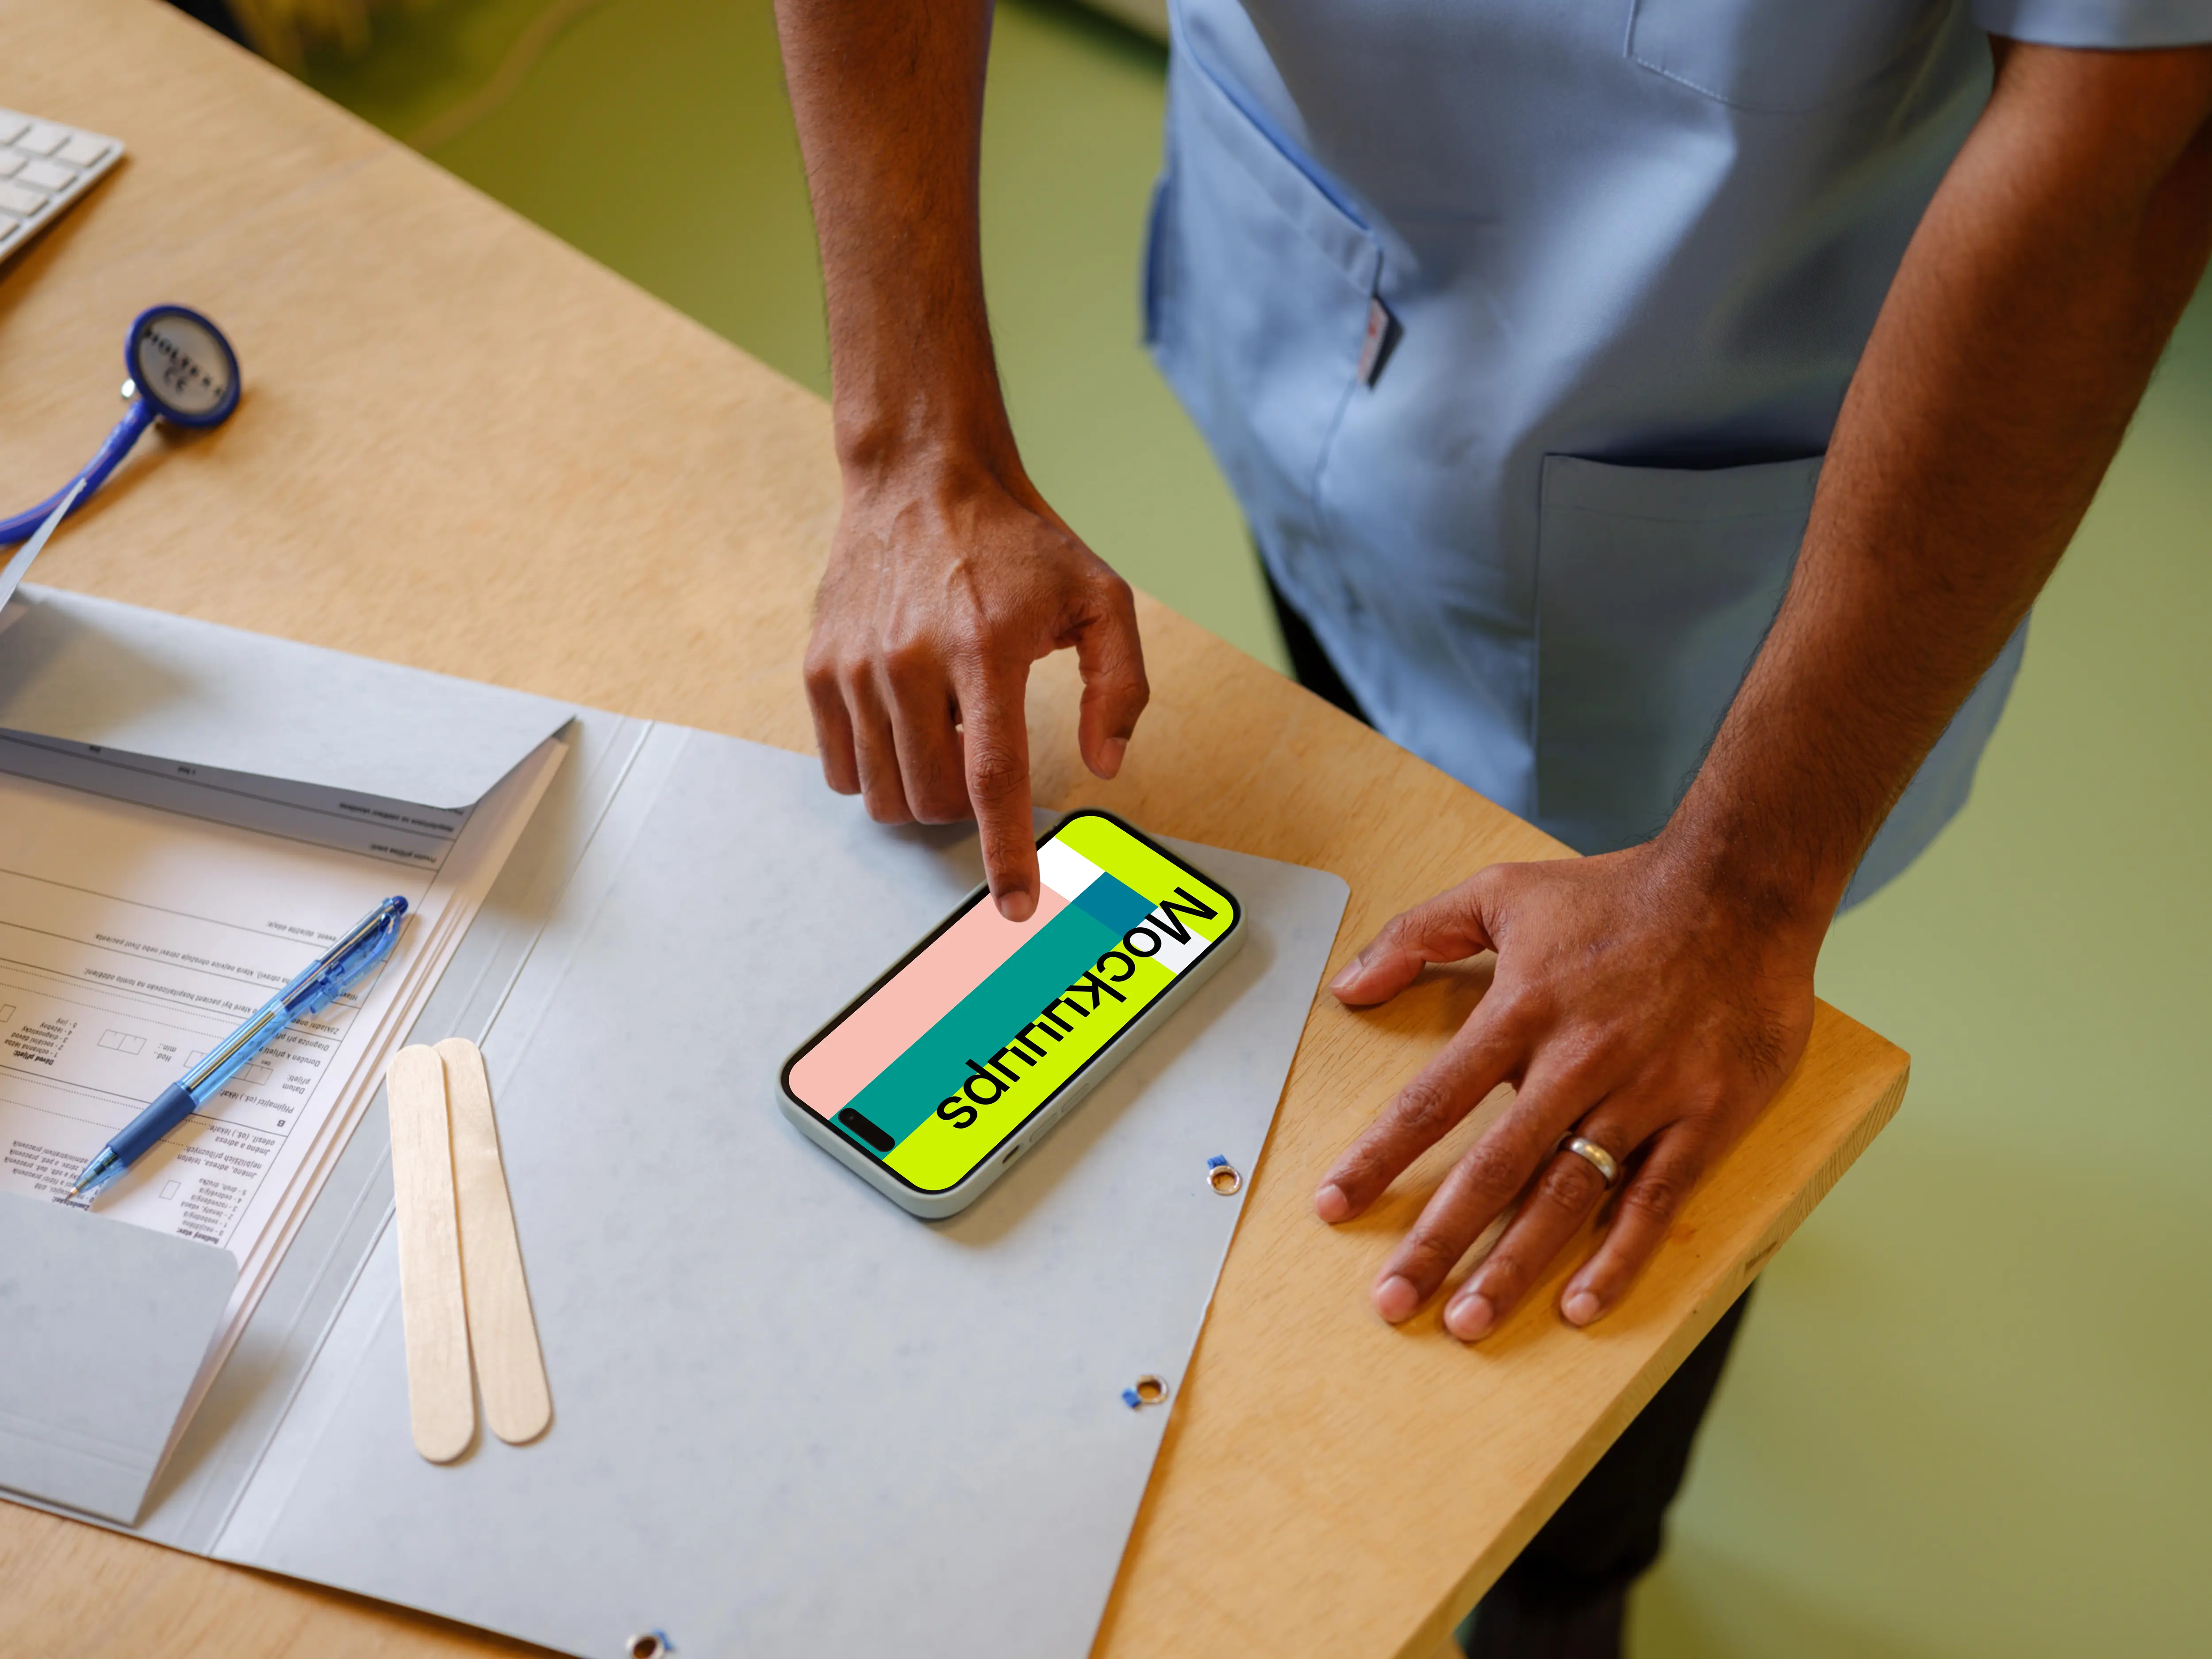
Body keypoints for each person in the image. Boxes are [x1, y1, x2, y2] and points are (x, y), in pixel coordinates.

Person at [772, 1, 2212, 1651]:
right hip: (1298, 262)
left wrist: (1743, 891)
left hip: (1716, 487)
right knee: (1368, 990)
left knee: (1639, 1121)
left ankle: (1567, 1591)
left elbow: (2134, 132)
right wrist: (910, 441)